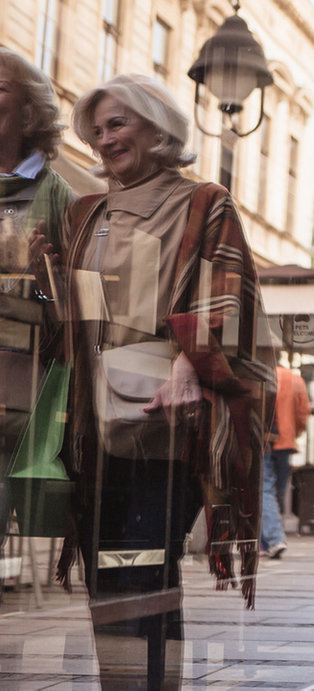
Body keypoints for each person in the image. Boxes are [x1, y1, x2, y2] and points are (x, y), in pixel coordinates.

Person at [32, 73, 275, 688]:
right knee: (107, 577)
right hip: (90, 432)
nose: (105, 138)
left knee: (142, 571)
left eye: (119, 123)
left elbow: (232, 296)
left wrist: (191, 363)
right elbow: (68, 316)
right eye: (98, 128)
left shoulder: (202, 203)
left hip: (165, 426)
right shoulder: (86, 212)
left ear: (157, 127)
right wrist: (44, 274)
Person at [0, 48, 75, 545]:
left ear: (29, 112)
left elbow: (78, 311)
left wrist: (39, 283)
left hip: (12, 396)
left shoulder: (57, 195)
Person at [261, 363, 310, 559]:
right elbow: (303, 413)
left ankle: (272, 539)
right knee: (275, 491)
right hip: (285, 442)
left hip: (263, 440)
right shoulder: (295, 379)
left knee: (265, 490)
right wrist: (292, 433)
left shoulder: (259, 373)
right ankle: (269, 539)